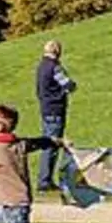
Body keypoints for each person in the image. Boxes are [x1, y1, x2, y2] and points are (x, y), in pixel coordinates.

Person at [33, 41, 77, 192]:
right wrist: (71, 86)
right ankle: (44, 181)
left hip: (45, 108)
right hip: (55, 109)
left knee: (48, 142)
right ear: (58, 51)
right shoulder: (54, 67)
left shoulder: (41, 66)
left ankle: (45, 179)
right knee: (51, 145)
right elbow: (68, 85)